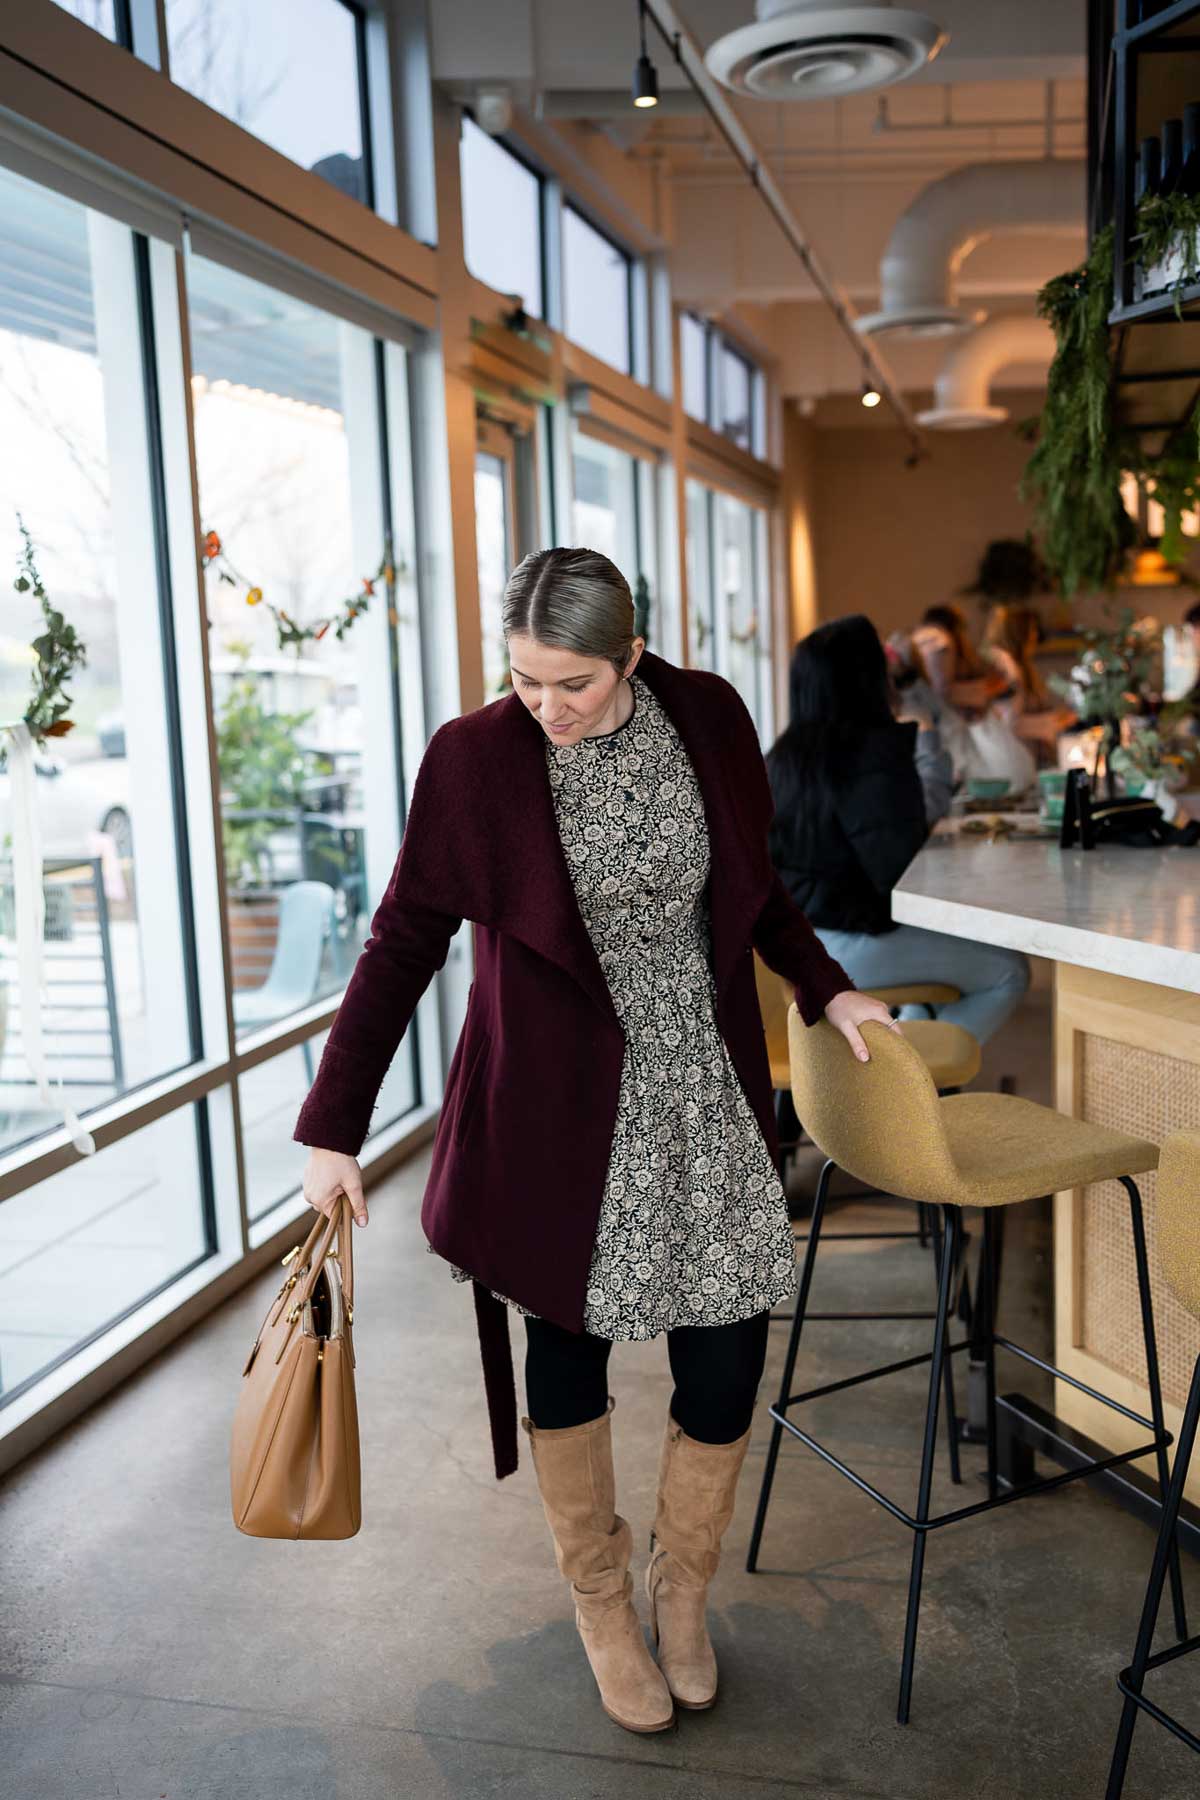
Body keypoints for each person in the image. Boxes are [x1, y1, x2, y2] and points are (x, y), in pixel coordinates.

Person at [292, 548, 896, 1735]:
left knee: (722, 1363)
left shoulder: (709, 713)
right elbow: (403, 937)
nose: (548, 711)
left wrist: (830, 990)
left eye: (574, 684)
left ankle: (682, 1591)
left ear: (632, 655)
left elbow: (758, 891)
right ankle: (601, 1602)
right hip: (561, 1113)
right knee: (565, 1354)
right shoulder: (475, 759)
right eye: (524, 682)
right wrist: (335, 1125)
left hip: (707, 1094)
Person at [767, 615, 1030, 1044]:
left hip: (797, 941)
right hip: (849, 943)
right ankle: (901, 1091)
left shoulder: (781, 757)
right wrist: (921, 741)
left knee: (955, 961)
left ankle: (901, 1062)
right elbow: (901, 870)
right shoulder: (870, 756)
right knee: (1009, 971)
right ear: (869, 679)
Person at [982, 603, 1075, 756]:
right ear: (1019, 632)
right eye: (1032, 630)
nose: (1035, 635)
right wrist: (1053, 722)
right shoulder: (1006, 666)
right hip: (1012, 754)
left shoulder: (1018, 666)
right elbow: (1009, 722)